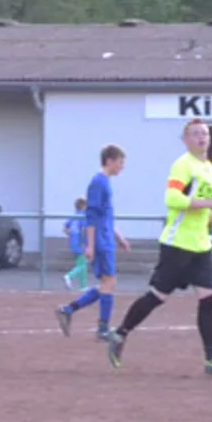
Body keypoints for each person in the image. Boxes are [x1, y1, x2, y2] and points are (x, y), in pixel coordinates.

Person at [106, 120, 212, 375]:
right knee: (158, 296)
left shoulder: (208, 167)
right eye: (196, 134)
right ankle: (120, 333)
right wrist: (211, 202)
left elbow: (195, 204)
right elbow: (173, 199)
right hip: (177, 245)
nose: (202, 138)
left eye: (206, 134)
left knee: (208, 298)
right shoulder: (183, 165)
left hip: (201, 245)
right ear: (186, 139)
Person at [56, 145, 130, 341]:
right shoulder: (98, 183)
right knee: (109, 282)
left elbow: (105, 216)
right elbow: (91, 217)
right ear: (110, 160)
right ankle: (103, 328)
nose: (122, 167)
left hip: (105, 239)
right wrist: (89, 245)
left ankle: (68, 310)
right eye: (120, 162)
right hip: (100, 241)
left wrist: (119, 237)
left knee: (106, 284)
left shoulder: (105, 182)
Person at [62, 202, 89, 292]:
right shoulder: (83, 216)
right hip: (81, 243)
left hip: (74, 243)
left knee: (81, 264)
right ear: (83, 206)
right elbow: (84, 229)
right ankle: (69, 275)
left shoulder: (73, 216)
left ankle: (83, 286)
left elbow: (65, 229)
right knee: (82, 265)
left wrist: (72, 236)